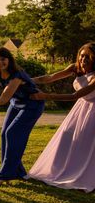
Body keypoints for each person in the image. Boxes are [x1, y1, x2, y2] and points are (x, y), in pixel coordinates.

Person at [26, 42, 95, 191]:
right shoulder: (74, 68)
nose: (84, 59)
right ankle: (59, 169)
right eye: (82, 56)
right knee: (66, 134)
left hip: (93, 111)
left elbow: (74, 96)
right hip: (80, 109)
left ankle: (85, 175)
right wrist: (27, 80)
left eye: (88, 57)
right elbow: (49, 78)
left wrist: (44, 96)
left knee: (87, 143)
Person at [0, 47, 44, 185]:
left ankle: (4, 175)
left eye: (3, 59)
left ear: (9, 60)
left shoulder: (16, 75)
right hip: (16, 103)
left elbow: (2, 100)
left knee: (12, 133)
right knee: (4, 133)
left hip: (32, 105)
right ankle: (18, 172)